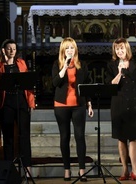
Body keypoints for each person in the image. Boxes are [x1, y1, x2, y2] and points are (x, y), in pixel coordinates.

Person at [105, 38, 136, 182]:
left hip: (135, 104)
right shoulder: (111, 65)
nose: (119, 51)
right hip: (119, 105)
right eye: (117, 49)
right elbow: (110, 86)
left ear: (127, 48)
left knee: (134, 137)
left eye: (122, 48)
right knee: (121, 138)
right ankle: (124, 169)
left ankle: (135, 170)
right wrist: (119, 72)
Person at [52, 37, 94, 182]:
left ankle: (82, 170)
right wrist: (65, 66)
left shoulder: (82, 65)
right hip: (61, 106)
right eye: (67, 48)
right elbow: (55, 82)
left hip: (79, 105)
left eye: (72, 48)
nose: (70, 50)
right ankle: (67, 170)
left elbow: (87, 85)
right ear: (63, 50)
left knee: (80, 137)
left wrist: (89, 103)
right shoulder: (57, 64)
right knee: (64, 137)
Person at [0, 39, 35, 174]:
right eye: (9, 48)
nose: (12, 51)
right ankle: (9, 167)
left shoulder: (21, 63)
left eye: (14, 48)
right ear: (3, 50)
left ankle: (27, 167)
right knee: (8, 137)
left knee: (24, 135)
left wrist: (31, 101)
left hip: (21, 101)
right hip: (6, 103)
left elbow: (28, 84)